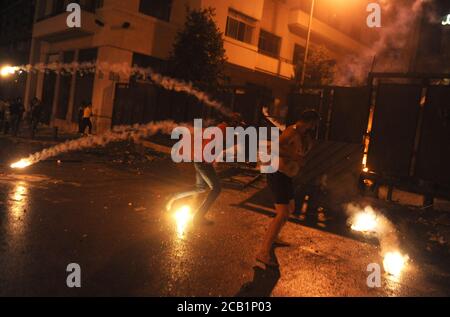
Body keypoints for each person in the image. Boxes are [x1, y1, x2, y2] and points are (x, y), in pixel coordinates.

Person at [256, 110, 320, 267]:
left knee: (289, 208)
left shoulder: (301, 134)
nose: (315, 126)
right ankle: (263, 252)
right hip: (277, 174)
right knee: (283, 212)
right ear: (310, 121)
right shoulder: (291, 131)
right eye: (314, 123)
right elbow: (274, 149)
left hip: (285, 175)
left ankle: (274, 235)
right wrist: (295, 157)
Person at [166, 113, 244, 225]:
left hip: (200, 160)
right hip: (202, 162)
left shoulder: (221, 128)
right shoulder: (223, 130)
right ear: (234, 123)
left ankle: (173, 196)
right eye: (238, 125)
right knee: (216, 189)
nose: (239, 128)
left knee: (200, 187)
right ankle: (198, 218)